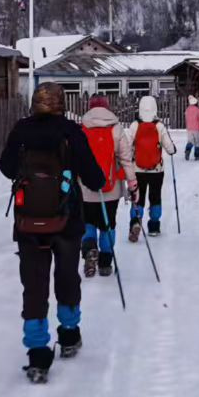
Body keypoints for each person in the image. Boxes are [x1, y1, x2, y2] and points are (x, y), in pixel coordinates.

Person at [0, 83, 106, 384]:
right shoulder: (71, 132)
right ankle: (69, 334)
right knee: (67, 277)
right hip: (66, 220)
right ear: (61, 103)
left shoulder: (21, 130)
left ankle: (37, 353)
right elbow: (94, 177)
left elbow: (6, 168)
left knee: (34, 285)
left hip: (28, 221)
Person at [79, 95, 131, 279]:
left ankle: (90, 249)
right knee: (108, 224)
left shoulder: (82, 129)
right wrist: (132, 182)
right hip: (111, 189)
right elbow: (126, 159)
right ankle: (105, 263)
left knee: (88, 222)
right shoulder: (116, 128)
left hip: (86, 189)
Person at [127, 94, 177, 239]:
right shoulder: (159, 126)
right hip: (156, 170)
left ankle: (135, 221)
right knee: (155, 197)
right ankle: (154, 226)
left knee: (138, 198)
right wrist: (173, 149)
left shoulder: (135, 125)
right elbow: (170, 148)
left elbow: (127, 145)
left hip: (138, 170)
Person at [184, 95, 199, 161]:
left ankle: (187, 150)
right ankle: (197, 155)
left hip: (189, 128)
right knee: (197, 142)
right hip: (196, 128)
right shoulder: (198, 110)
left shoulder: (187, 110)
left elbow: (186, 119)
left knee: (190, 141)